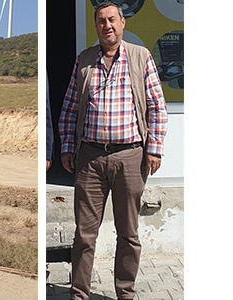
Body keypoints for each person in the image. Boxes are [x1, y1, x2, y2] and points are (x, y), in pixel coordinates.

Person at [56, 2, 167, 299]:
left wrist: (153, 150)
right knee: (84, 235)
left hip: (129, 157)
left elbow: (157, 107)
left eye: (112, 19)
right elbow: (69, 108)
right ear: (96, 26)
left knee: (128, 235)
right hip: (90, 158)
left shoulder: (140, 57)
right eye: (101, 20)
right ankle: (80, 293)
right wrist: (68, 147)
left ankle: (125, 293)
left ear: (123, 23)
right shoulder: (85, 60)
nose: (107, 25)